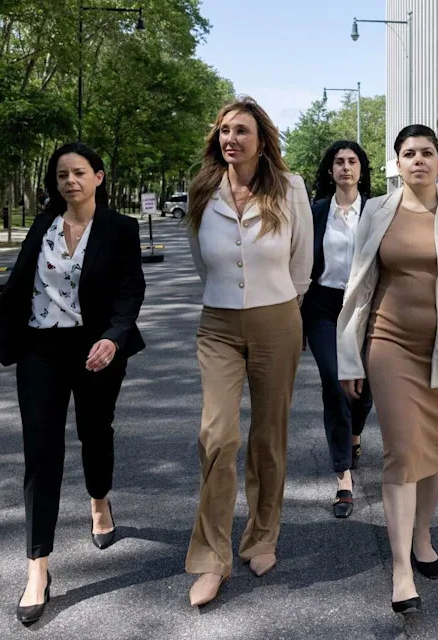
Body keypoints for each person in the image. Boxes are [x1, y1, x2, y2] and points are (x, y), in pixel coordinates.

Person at [0, 142, 146, 625]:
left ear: (99, 177)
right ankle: (37, 569)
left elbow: (131, 289)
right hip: (39, 352)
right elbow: (15, 289)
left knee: (95, 432)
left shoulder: (120, 228)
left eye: (80, 172)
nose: (70, 180)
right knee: (41, 453)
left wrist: (114, 336)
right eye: (63, 174)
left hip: (95, 351)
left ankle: (98, 500)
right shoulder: (43, 225)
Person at [337, 125, 438, 614]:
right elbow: (358, 287)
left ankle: (423, 533)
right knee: (402, 450)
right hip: (390, 343)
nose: (419, 160)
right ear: (397, 164)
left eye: (427, 153)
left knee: (432, 448)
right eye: (409, 153)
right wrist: (349, 356)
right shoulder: (378, 211)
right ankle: (402, 567)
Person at [183, 97, 313, 607]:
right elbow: (202, 263)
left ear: (262, 141)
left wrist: (283, 306)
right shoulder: (202, 192)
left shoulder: (290, 188)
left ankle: (262, 536)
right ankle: (211, 559)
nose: (230, 139)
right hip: (217, 324)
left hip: (278, 318)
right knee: (217, 435)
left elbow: (302, 261)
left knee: (268, 434)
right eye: (224, 131)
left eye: (241, 131)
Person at [302, 141, 375, 519]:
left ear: (362, 170)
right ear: (330, 171)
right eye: (339, 162)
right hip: (323, 308)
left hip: (367, 306)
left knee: (365, 384)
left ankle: (356, 432)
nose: (346, 167)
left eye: (352, 161)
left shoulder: (378, 211)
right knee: (335, 380)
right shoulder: (314, 213)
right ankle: (343, 473)